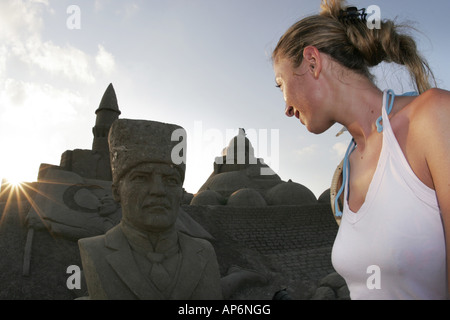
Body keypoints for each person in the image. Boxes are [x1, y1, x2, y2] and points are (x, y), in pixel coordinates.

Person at [272, 0, 449, 299]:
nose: (286, 109)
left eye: (280, 85)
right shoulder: (344, 174)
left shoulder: (432, 118)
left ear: (313, 62)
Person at [78, 119, 223, 300]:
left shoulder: (203, 251)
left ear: (181, 193)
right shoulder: (94, 249)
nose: (158, 191)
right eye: (141, 177)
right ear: (117, 192)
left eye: (171, 180)